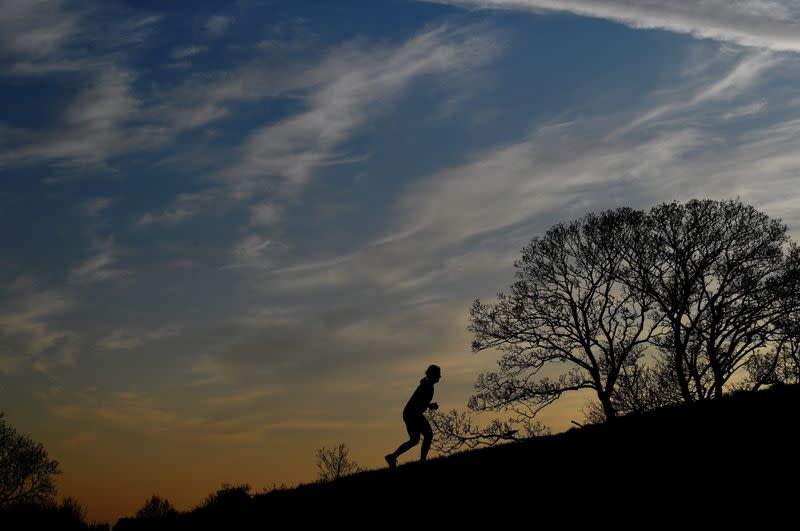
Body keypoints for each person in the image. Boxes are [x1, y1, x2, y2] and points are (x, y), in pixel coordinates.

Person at [385, 364, 441, 469]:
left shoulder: (427, 384)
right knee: (428, 435)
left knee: (415, 440)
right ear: (433, 375)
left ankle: (392, 457)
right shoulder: (427, 386)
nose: (440, 377)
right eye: (438, 374)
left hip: (411, 413)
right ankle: (423, 461)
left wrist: (429, 405)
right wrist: (430, 405)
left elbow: (421, 401)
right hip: (413, 414)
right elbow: (420, 401)